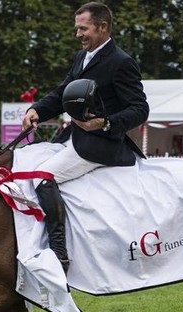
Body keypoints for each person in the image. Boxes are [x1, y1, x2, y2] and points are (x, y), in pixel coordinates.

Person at [22, 2, 149, 273]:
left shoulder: (121, 62)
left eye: (83, 28)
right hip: (74, 136)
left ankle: (59, 253)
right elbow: (62, 93)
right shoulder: (82, 57)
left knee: (42, 178)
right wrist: (37, 110)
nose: (78, 34)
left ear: (103, 27)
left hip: (101, 143)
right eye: (76, 28)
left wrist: (104, 124)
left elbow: (140, 109)